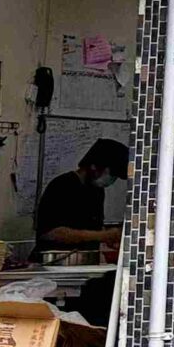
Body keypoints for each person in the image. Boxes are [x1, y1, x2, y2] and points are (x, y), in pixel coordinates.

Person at [34, 138, 129, 326]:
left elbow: (92, 228)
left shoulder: (97, 192)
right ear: (94, 167)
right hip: (54, 268)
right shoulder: (62, 186)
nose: (111, 180)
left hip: (86, 270)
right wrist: (103, 236)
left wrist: (109, 239)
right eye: (111, 174)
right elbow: (51, 232)